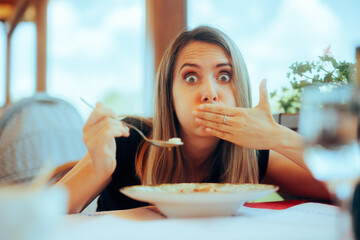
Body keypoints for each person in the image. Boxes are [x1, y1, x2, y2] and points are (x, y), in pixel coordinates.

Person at [58, 25, 330, 213]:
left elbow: (343, 187)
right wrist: (98, 169)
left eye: (224, 77)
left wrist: (278, 136)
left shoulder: (252, 152)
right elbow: (41, 217)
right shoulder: (128, 139)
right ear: (169, 95)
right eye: (191, 77)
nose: (210, 93)